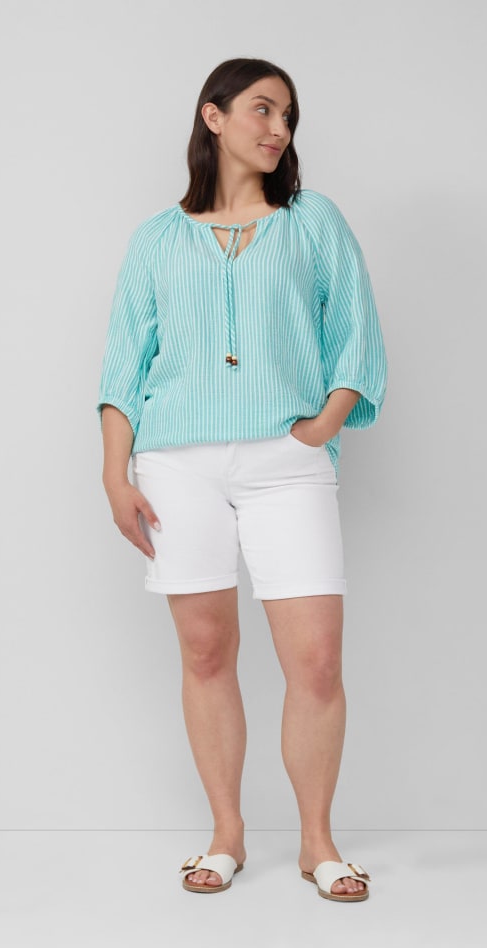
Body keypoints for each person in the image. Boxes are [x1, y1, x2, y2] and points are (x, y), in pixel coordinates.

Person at [97, 58, 387, 902]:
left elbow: (358, 335)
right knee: (205, 650)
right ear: (213, 115)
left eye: (289, 116)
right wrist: (115, 475)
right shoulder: (155, 239)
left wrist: (321, 428)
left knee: (317, 661)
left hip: (286, 463)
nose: (279, 129)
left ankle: (318, 843)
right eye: (263, 109)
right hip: (175, 464)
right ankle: (226, 835)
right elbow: (123, 366)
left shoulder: (312, 221)